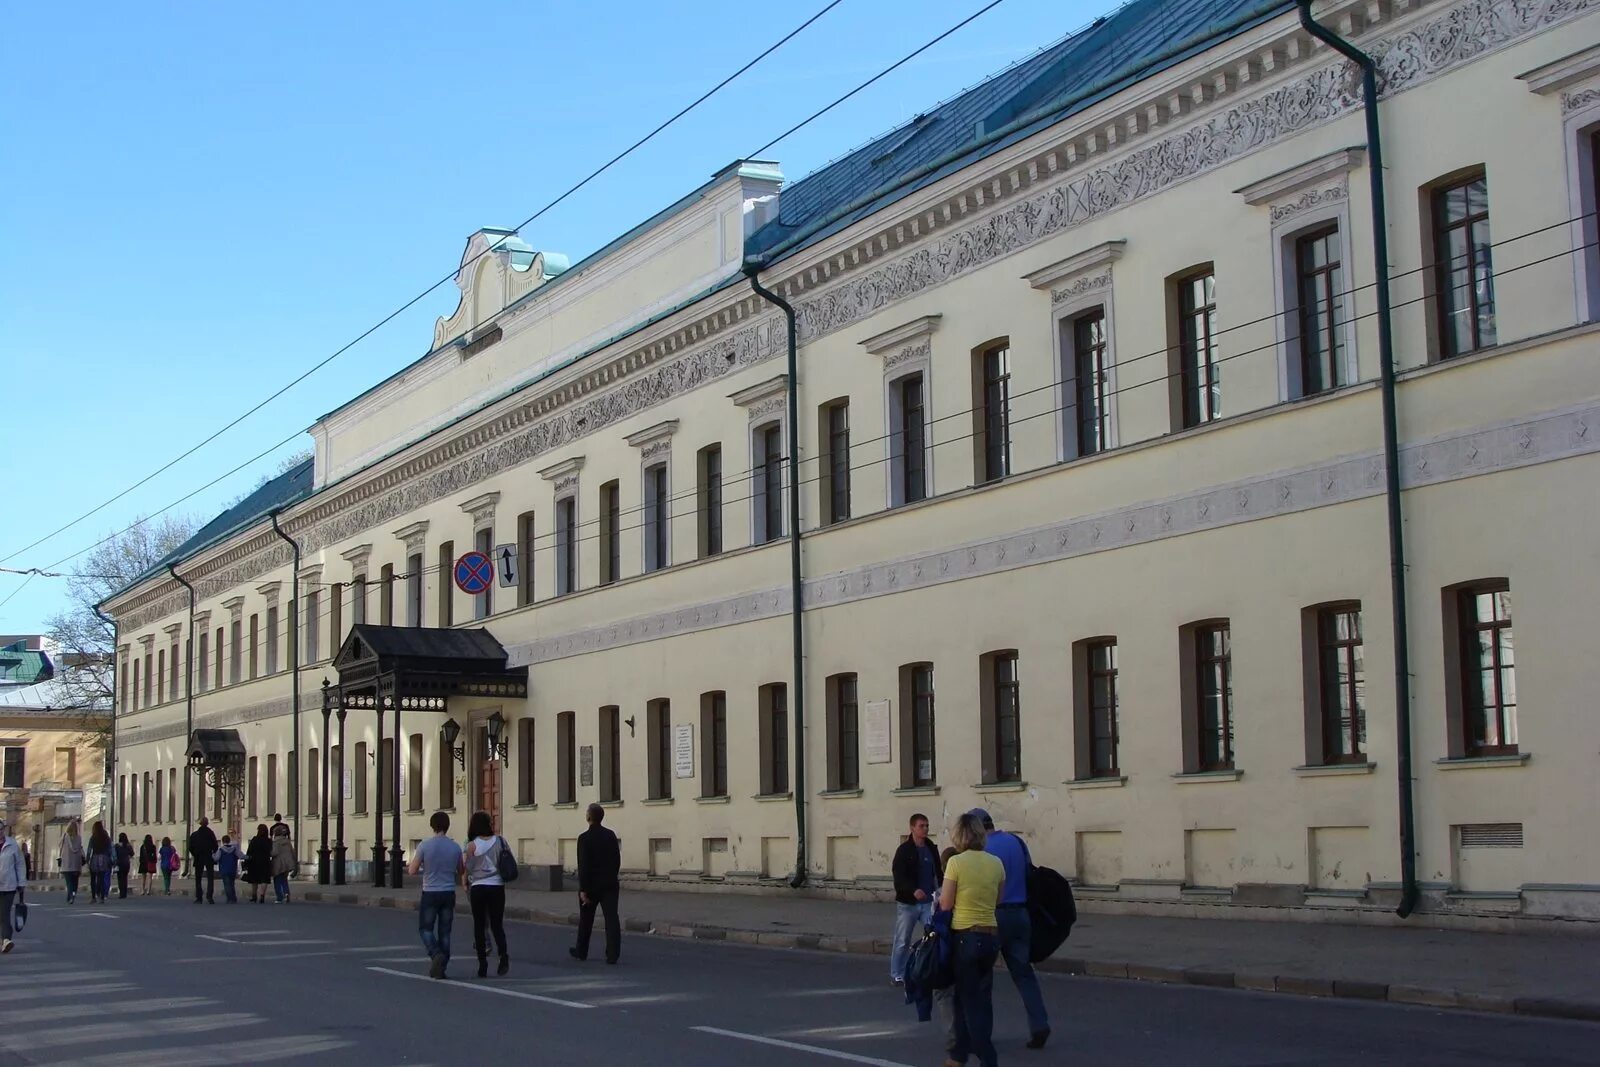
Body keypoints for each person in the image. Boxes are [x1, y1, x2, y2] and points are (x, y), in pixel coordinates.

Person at [969, 808, 1049, 1049]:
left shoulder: (981, 850)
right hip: (1020, 913)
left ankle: (981, 1036)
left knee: (983, 977)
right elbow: (1028, 872)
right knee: (1024, 973)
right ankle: (1039, 1024)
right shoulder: (1016, 841)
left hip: (992, 917)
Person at [940, 812, 1004, 1067]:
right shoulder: (995, 863)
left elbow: (946, 902)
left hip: (965, 937)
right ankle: (957, 1055)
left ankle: (987, 1056)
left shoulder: (956, 863)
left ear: (959, 835)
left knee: (968, 1001)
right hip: (990, 936)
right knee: (971, 994)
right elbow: (998, 900)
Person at [406, 811, 464, 979]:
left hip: (430, 892)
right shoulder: (455, 847)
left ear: (432, 826)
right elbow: (461, 870)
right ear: (447, 826)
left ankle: (435, 953)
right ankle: (442, 966)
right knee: (445, 932)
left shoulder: (425, 845)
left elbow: (412, 870)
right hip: (448, 892)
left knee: (425, 928)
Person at [891, 812, 943, 985]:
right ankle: (897, 973)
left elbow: (938, 872)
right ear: (912, 828)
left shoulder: (930, 848)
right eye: (922, 826)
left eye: (927, 825)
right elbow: (899, 876)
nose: (925, 829)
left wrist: (941, 890)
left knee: (934, 935)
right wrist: (913, 890)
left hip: (929, 902)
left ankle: (930, 969)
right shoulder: (904, 851)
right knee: (902, 939)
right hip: (909, 903)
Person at [569, 803, 621, 965]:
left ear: (589, 817)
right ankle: (612, 954)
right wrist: (612, 876)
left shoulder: (584, 838)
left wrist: (583, 889)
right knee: (611, 919)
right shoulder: (610, 835)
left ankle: (581, 950)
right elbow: (616, 860)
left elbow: (583, 865)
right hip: (610, 884)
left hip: (591, 886)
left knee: (586, 919)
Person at [462, 810, 509, 978]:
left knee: (479, 926)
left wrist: (465, 882)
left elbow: (467, 868)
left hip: (478, 887)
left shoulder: (472, 845)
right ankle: (503, 957)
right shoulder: (501, 841)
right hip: (497, 887)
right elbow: (507, 860)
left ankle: (482, 964)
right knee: (497, 924)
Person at [0, 821, 26, 954]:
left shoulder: (12, 845)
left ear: (4, 830)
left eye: (0, 829)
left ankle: (6, 940)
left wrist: (21, 883)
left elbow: (20, 864)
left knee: (4, 913)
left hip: (9, 886)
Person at [189, 817, 218, 904]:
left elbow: (190, 847)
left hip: (198, 857)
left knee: (198, 878)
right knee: (210, 877)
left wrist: (195, 854)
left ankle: (199, 897)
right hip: (208, 857)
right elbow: (215, 846)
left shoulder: (195, 834)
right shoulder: (210, 833)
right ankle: (210, 897)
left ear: (200, 824)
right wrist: (212, 853)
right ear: (207, 823)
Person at [56, 819, 84, 903]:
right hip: (76, 864)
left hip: (66, 864)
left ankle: (70, 895)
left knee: (69, 882)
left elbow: (59, 845)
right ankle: (73, 894)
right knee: (75, 881)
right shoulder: (79, 838)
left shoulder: (65, 836)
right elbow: (80, 848)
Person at [244, 825, 273, 904]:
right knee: (264, 879)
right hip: (265, 862)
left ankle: (254, 896)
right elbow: (271, 852)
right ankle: (262, 896)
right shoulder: (269, 841)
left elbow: (249, 851)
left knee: (254, 880)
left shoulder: (254, 840)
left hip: (254, 862)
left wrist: (246, 862)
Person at [269, 815, 295, 904]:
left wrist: (269, 853)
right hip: (287, 863)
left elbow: (274, 853)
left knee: (277, 880)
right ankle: (287, 893)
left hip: (278, 864)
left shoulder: (275, 842)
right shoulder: (287, 841)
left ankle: (279, 897)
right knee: (284, 879)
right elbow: (292, 851)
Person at [86, 821, 114, 904]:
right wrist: (112, 859)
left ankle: (93, 897)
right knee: (101, 878)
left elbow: (89, 849)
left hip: (95, 858)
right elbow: (110, 848)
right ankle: (102, 897)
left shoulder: (93, 837)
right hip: (104, 858)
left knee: (93, 879)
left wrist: (87, 859)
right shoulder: (106, 837)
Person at [216, 835, 243, 903]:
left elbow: (216, 858)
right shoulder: (234, 849)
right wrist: (248, 857)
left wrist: (212, 855)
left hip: (224, 869)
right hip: (232, 868)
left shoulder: (220, 849)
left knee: (226, 884)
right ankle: (233, 898)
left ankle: (230, 898)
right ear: (229, 841)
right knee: (232, 883)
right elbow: (240, 855)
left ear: (222, 841)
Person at [114, 833, 134, 899]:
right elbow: (132, 853)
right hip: (126, 863)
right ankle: (124, 893)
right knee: (125, 878)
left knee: (120, 879)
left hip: (119, 863)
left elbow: (114, 854)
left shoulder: (117, 846)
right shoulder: (128, 845)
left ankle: (121, 893)